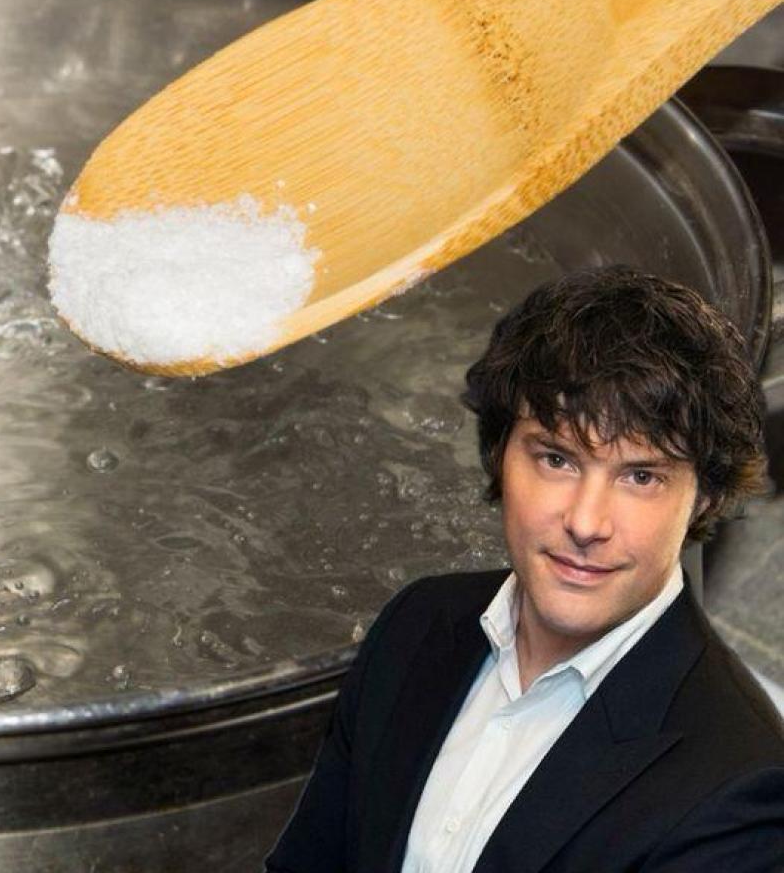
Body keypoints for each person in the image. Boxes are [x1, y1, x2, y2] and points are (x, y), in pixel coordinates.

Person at [265, 265, 784, 872]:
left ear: (704, 497)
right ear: (499, 454)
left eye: (641, 477)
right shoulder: (417, 624)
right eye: (557, 459)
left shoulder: (739, 789)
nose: (587, 523)